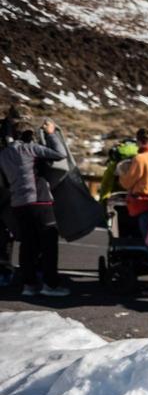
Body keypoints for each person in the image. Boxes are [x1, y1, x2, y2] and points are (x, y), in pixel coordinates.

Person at [0, 118, 69, 296]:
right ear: (28, 135)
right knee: (49, 243)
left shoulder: (4, 153)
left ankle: (28, 285)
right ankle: (50, 285)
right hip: (39, 200)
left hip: (18, 203)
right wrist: (51, 133)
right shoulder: (29, 148)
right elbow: (60, 153)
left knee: (28, 245)